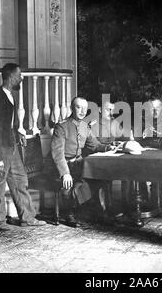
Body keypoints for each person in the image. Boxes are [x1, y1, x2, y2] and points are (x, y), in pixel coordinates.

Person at [0, 63, 46, 230]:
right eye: (19, 76)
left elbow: (9, 124)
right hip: (0, 148)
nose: (21, 79)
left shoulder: (10, 95)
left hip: (11, 145)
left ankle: (27, 217)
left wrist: (19, 135)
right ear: (11, 77)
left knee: (20, 180)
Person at [51, 97, 116, 227]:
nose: (82, 111)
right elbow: (57, 153)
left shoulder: (85, 126)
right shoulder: (61, 126)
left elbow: (94, 145)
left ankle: (98, 211)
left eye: (85, 108)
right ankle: (69, 213)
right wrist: (65, 173)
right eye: (78, 107)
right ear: (71, 108)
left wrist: (108, 147)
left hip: (78, 164)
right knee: (69, 183)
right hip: (63, 165)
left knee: (99, 177)